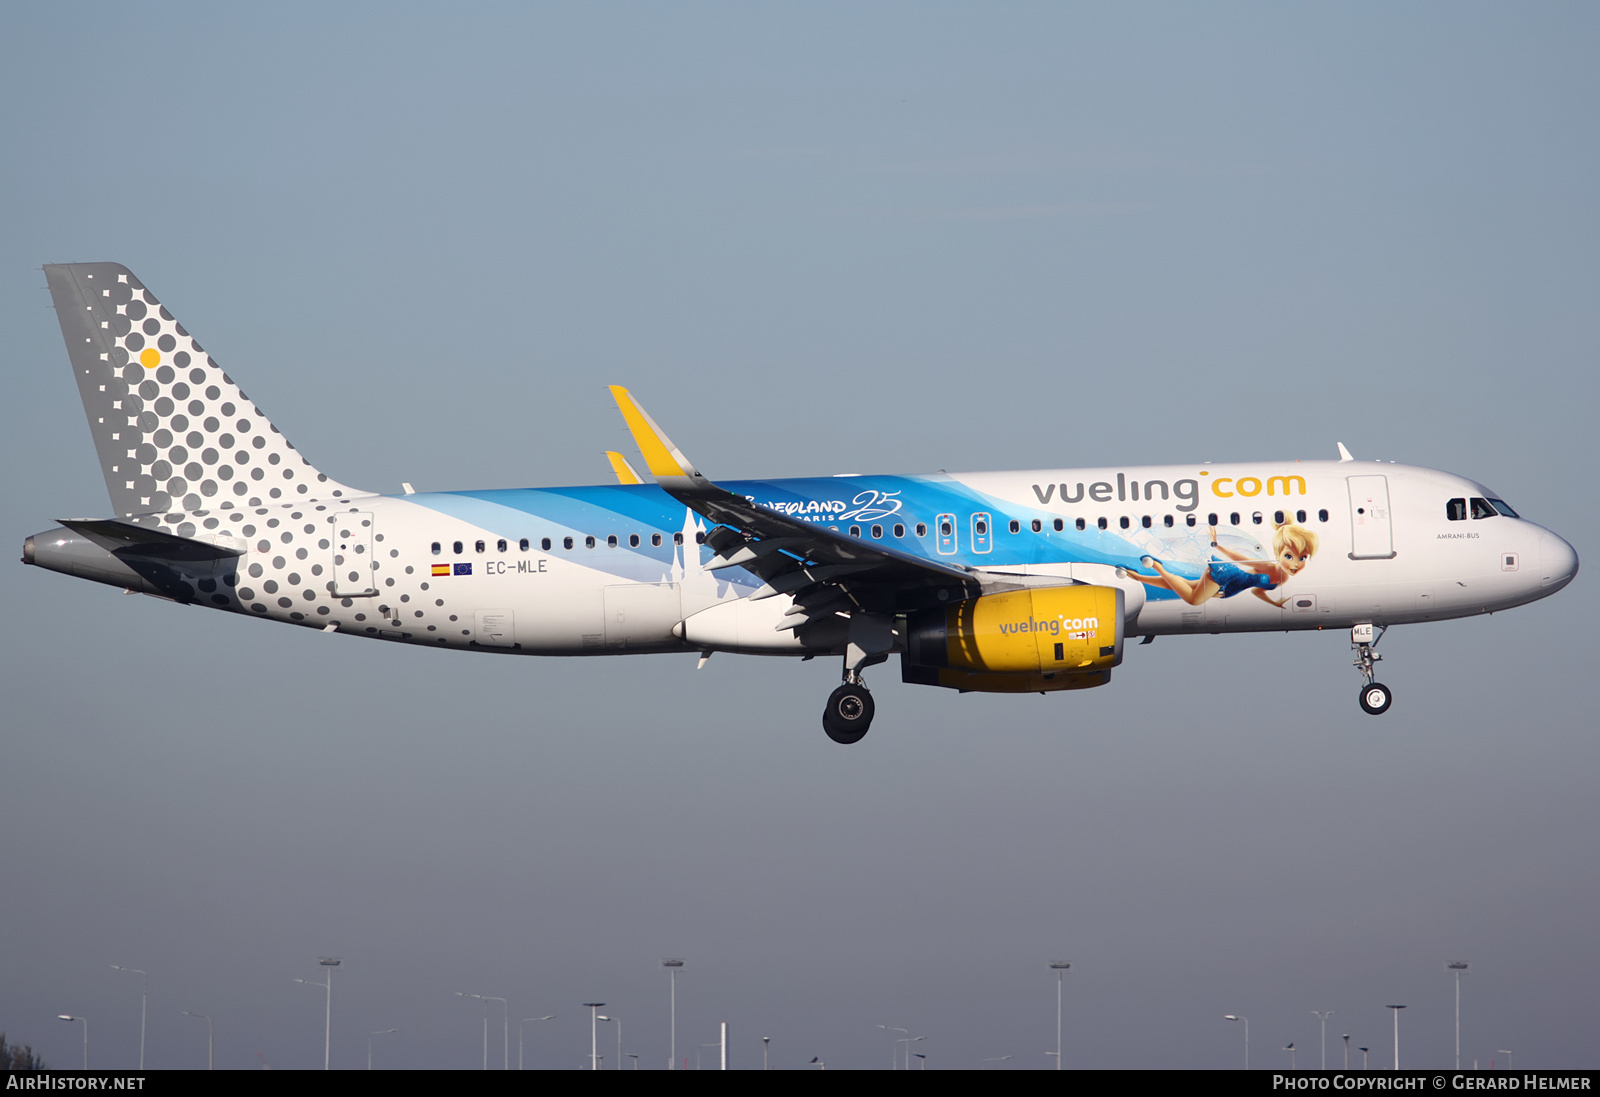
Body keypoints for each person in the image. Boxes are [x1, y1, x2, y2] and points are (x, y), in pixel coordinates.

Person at [1125, 520, 1318, 608]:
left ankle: (1140, 577)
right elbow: (1240, 559)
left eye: (1302, 559)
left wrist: (1275, 603)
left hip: (1229, 584)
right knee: (1194, 600)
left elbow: (1256, 591)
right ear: (1279, 553)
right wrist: (1218, 546)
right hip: (1227, 576)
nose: (1295, 564)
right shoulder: (1270, 567)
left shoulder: (1282, 578)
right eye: (1289, 556)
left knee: (1184, 586)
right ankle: (1158, 567)